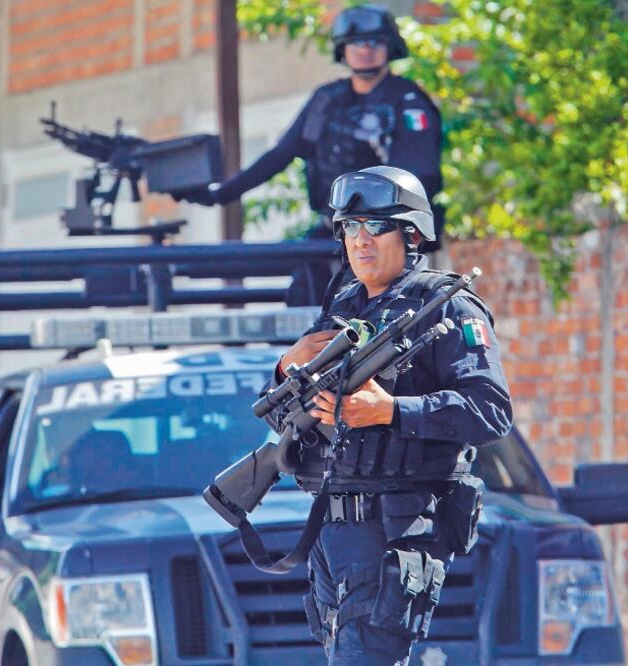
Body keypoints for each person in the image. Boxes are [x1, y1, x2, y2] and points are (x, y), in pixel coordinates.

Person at [264, 166, 512, 665]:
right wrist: (285, 366)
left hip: (394, 530)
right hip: (332, 534)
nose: (360, 240)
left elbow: (491, 412)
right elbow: (280, 415)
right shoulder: (344, 308)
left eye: (376, 226)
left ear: (412, 233)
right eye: (350, 227)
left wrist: (391, 412)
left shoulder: (450, 309)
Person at [182, 5, 444, 305]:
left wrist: (379, 228)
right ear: (342, 51)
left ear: (390, 47)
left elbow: (419, 176)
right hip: (332, 230)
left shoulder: (408, 102)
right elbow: (281, 154)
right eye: (356, 43)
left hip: (386, 235)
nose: (365, 50)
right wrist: (221, 193)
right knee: (304, 295)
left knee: (374, 311)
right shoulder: (327, 100)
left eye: (375, 42)